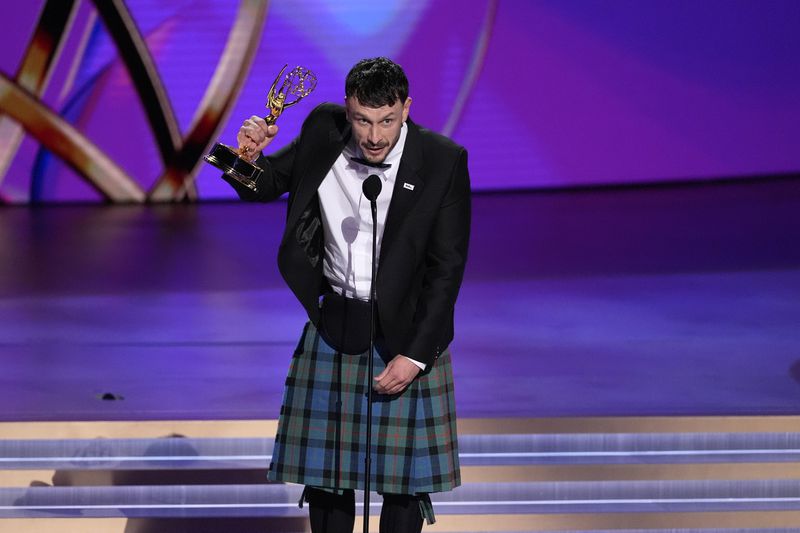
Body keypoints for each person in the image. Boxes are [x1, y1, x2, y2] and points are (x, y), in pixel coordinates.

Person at [225, 57, 470, 533]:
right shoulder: (323, 130)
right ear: (347, 109)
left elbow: (446, 271)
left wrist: (416, 356)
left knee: (402, 485)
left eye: (387, 121)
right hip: (335, 327)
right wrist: (245, 160)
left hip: (407, 334)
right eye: (362, 120)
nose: (374, 137)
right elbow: (269, 185)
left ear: (406, 108)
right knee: (326, 480)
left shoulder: (442, 160)